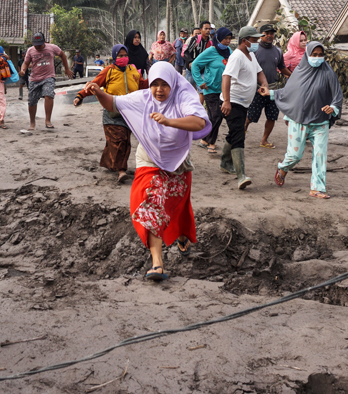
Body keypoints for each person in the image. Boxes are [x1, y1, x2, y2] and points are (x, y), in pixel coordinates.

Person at [81, 62, 209, 282]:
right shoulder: (143, 98)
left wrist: (169, 121)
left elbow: (199, 122)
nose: (158, 89)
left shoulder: (183, 97)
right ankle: (157, 263)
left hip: (177, 160)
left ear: (173, 84)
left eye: (164, 85)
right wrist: (98, 91)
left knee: (176, 204)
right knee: (152, 202)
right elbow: (112, 104)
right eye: (154, 84)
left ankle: (181, 235)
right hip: (149, 158)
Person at [269, 42, 343, 199]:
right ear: (307, 55)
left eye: (320, 55)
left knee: (320, 155)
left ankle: (317, 188)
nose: (317, 58)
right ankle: (283, 168)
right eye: (314, 55)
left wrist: (333, 107)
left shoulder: (328, 73)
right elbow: (288, 93)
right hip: (299, 120)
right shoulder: (299, 72)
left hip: (320, 121)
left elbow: (337, 95)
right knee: (295, 156)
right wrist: (269, 93)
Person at [74, 44, 148, 184]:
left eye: (125, 55)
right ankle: (121, 171)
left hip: (129, 113)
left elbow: (142, 84)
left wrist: (156, 81)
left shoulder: (133, 70)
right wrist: (80, 96)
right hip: (112, 112)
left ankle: (110, 163)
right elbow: (94, 84)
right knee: (119, 140)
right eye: (120, 56)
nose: (123, 58)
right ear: (114, 57)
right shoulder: (108, 71)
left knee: (124, 141)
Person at [220, 26, 268, 190]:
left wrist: (264, 84)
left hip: (243, 103)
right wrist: (226, 101)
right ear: (244, 41)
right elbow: (226, 77)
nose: (256, 43)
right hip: (232, 101)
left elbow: (259, 72)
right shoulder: (237, 56)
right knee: (239, 134)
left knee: (235, 131)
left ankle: (225, 162)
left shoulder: (251, 55)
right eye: (254, 40)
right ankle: (241, 175)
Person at [246, 24, 293, 149]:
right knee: (251, 115)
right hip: (257, 89)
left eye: (271, 33)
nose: (269, 35)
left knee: (272, 116)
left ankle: (264, 140)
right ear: (261, 35)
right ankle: (241, 133)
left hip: (273, 89)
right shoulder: (253, 50)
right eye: (266, 33)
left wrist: (294, 77)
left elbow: (282, 68)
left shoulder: (277, 51)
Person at [191, 27, 234, 155]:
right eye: (225, 38)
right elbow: (195, 65)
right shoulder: (211, 51)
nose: (227, 41)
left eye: (229, 39)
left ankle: (205, 139)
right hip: (210, 89)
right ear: (218, 38)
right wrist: (200, 82)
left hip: (223, 90)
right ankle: (211, 142)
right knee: (216, 115)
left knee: (217, 116)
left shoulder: (229, 52)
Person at [20, 32, 73, 130]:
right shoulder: (30, 50)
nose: (38, 47)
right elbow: (26, 63)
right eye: (36, 45)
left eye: (40, 45)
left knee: (49, 94)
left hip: (49, 77)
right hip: (34, 78)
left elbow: (62, 55)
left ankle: (48, 120)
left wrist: (66, 68)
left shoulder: (52, 48)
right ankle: (32, 123)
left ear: (44, 41)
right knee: (32, 101)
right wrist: (23, 70)